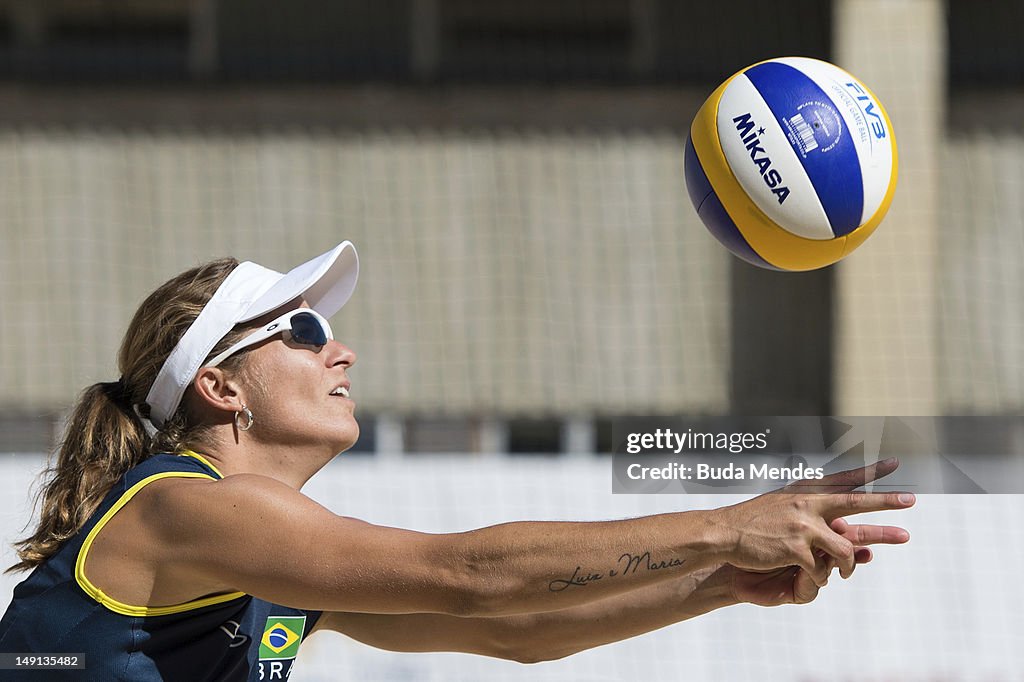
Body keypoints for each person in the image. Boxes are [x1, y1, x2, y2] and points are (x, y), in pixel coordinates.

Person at [0, 242, 913, 680]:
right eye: (305, 331)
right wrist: (723, 525)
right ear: (221, 389)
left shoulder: (265, 562)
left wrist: (719, 581)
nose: (341, 352)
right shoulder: (180, 507)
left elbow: (512, 632)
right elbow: (467, 575)